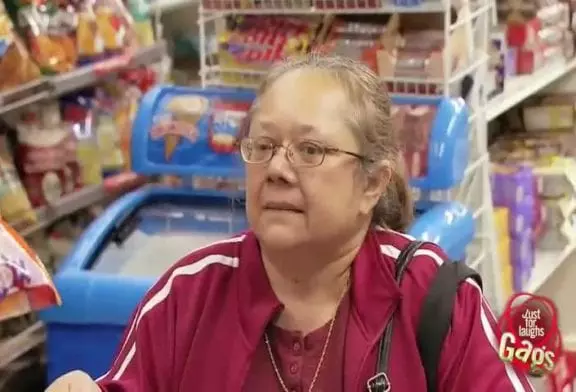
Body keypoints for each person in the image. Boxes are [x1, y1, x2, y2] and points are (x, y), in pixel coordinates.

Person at [46, 54, 534, 392]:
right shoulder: (187, 298)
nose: (277, 168)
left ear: (371, 183)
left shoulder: (433, 299)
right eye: (262, 146)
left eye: (311, 150)